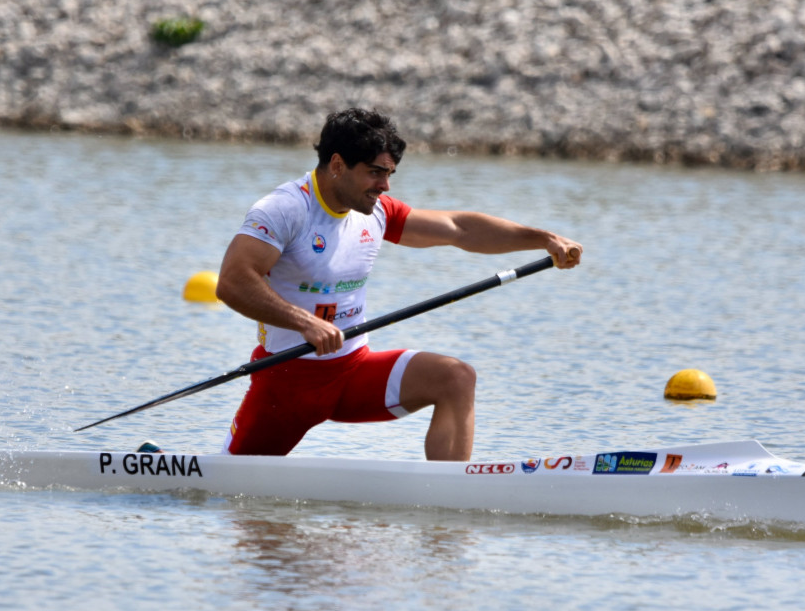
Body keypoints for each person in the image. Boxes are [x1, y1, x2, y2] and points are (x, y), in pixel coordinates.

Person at [215, 108, 581, 461]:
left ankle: (448, 499)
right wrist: (304, 322)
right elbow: (233, 282)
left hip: (353, 373)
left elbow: (461, 229)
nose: (385, 186)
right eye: (375, 173)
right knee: (230, 495)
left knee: (455, 377)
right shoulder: (284, 209)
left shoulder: (376, 211)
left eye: (389, 174)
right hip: (287, 383)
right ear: (338, 165)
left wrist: (544, 239)